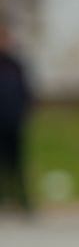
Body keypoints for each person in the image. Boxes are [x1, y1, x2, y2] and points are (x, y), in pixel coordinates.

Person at [0, 20, 33, 215]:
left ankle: (23, 201)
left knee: (17, 164)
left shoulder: (15, 65)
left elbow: (26, 91)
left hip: (13, 121)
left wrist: (23, 112)